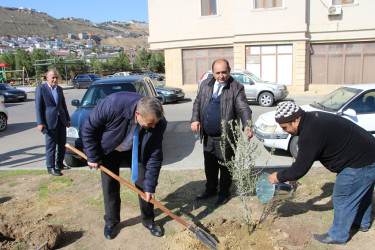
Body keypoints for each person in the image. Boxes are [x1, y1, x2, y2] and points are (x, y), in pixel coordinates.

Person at [268, 101, 375, 245]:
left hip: (359, 161)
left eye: (284, 127)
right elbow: (302, 159)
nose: (283, 131)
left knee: (342, 197)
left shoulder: (310, 133)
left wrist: (278, 177)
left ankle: (338, 235)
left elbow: (300, 169)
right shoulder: (311, 120)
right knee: (361, 191)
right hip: (368, 153)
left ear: (295, 120)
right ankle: (361, 223)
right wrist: (290, 175)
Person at [80, 92, 167, 240]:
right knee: (110, 186)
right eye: (150, 123)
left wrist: (150, 185)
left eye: (155, 123)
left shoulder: (158, 123)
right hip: (110, 148)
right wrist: (93, 156)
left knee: (143, 185)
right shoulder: (113, 104)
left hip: (136, 150)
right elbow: (88, 128)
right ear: (137, 113)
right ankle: (111, 221)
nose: (153, 126)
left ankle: (148, 221)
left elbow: (155, 155)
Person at [191, 58, 253, 206]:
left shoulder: (236, 88)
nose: (221, 76)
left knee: (225, 166)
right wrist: (195, 119)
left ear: (229, 71)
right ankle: (211, 189)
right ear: (213, 72)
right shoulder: (206, 84)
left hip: (226, 137)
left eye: (224, 72)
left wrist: (247, 124)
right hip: (208, 136)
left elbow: (243, 108)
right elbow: (198, 102)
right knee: (210, 165)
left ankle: (224, 193)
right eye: (217, 73)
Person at [35, 69, 71, 176]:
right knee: (51, 146)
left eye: (56, 77)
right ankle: (50, 167)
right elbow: (38, 107)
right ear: (47, 78)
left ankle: (60, 163)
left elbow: (63, 105)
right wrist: (40, 122)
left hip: (61, 120)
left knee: (62, 143)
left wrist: (67, 118)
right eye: (53, 78)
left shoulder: (59, 89)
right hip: (49, 122)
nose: (55, 80)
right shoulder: (41, 89)